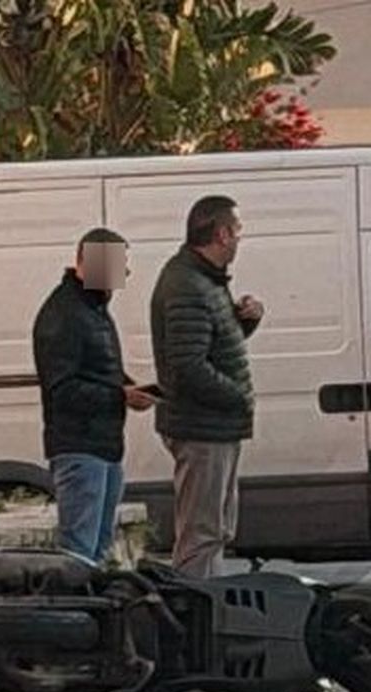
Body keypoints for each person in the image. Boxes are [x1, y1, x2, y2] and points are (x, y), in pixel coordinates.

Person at [151, 195, 265, 579]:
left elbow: (207, 343)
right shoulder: (188, 284)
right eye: (238, 232)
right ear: (221, 234)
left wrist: (243, 321)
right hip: (202, 426)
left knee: (215, 530)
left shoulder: (204, 281)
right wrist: (239, 397)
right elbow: (188, 366)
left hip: (213, 424)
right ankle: (193, 620)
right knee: (201, 535)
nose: (239, 240)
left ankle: (208, 614)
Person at [31, 228, 155, 562]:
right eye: (116, 266)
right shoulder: (67, 314)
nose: (123, 275)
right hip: (80, 445)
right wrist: (121, 396)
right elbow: (63, 389)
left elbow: (98, 369)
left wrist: (129, 388)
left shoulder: (91, 310)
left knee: (96, 548)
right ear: (84, 264)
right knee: (80, 552)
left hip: (102, 444)